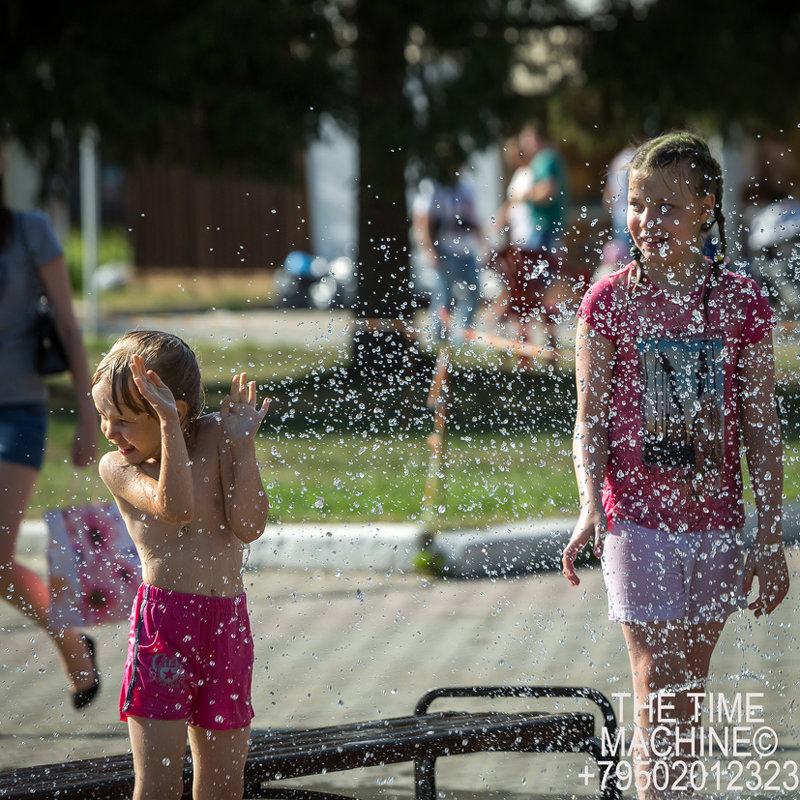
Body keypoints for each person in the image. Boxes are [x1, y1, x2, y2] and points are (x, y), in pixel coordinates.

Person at [561, 131, 790, 799]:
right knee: (654, 683)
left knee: (687, 691)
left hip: (715, 524)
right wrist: (587, 508)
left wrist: (768, 539)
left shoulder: (740, 302)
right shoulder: (608, 304)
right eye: (637, 204)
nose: (647, 220)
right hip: (638, 523)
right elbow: (590, 421)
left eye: (665, 205)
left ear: (705, 207)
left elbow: (761, 428)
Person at [91, 331, 269, 800]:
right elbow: (177, 507)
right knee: (158, 786)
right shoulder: (119, 467)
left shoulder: (218, 437)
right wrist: (167, 425)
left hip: (227, 625)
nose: (110, 432)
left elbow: (250, 526)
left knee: (224, 787)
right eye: (104, 417)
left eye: (125, 420)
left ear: (178, 410)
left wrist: (243, 448)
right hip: (164, 627)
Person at [0, 155, 99, 708]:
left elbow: (65, 321)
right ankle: (73, 644)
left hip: (17, 412)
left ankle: (70, 646)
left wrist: (88, 415)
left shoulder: (28, 231)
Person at [412, 146, 482, 341]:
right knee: (444, 295)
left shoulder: (466, 186)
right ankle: (438, 337)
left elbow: (474, 220)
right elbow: (423, 221)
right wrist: (428, 249)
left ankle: (462, 337)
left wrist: (483, 245)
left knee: (474, 290)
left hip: (467, 249)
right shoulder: (433, 186)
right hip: (445, 249)